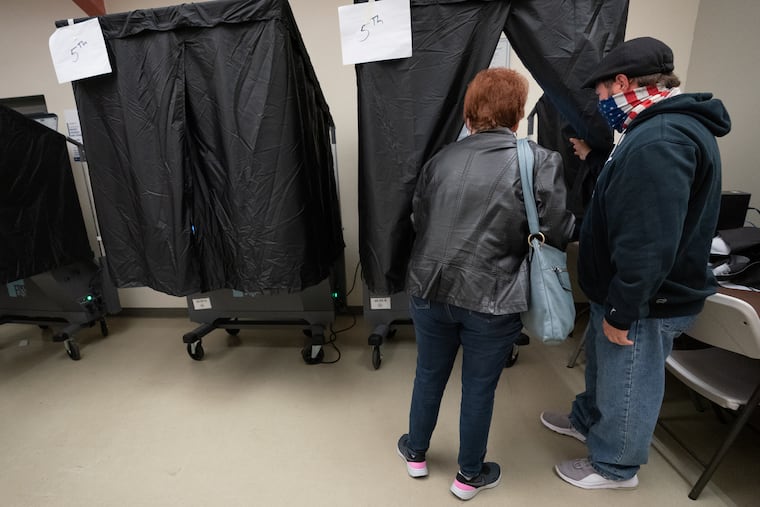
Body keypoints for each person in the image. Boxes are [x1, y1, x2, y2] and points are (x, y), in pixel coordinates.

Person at [540, 36, 731, 489]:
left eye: (603, 93)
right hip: (627, 291)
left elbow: (649, 241)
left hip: (646, 299)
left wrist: (625, 309)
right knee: (605, 366)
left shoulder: (660, 140)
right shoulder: (657, 129)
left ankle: (615, 466)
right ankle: (587, 420)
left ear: (623, 83)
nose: (601, 103)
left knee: (629, 379)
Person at [398, 67, 574, 501]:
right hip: (492, 297)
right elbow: (558, 228)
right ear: (517, 114)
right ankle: (468, 476)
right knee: (479, 387)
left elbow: (419, 220)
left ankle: (416, 454)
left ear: (469, 113)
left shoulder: (439, 159)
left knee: (428, 373)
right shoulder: (539, 159)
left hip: (428, 287)